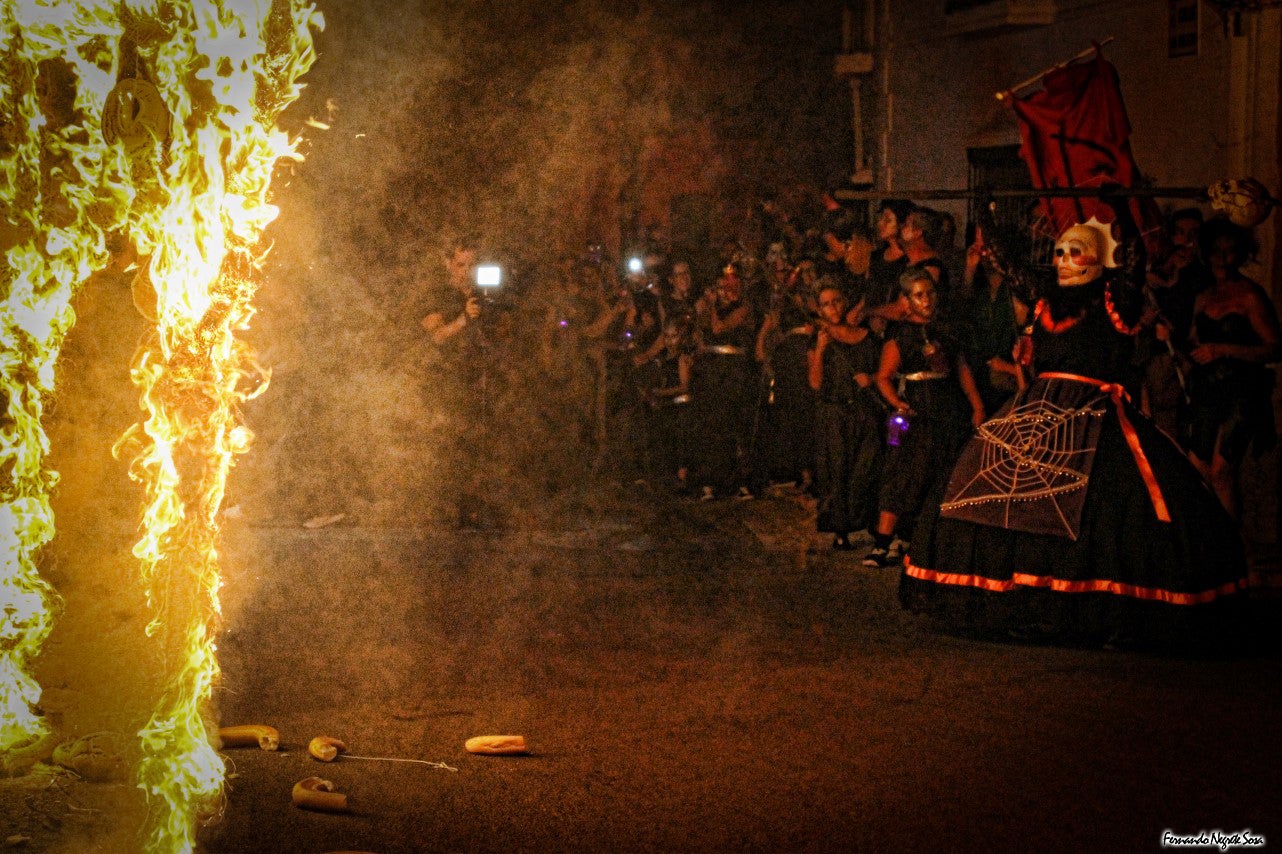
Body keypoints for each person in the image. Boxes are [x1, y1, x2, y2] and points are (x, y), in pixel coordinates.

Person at [900, 207, 1251, 648]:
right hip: (1035, 409)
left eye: (1077, 253)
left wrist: (1120, 202)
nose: (1065, 260)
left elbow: (1135, 262)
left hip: (1097, 413)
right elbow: (1010, 264)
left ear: (1102, 260)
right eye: (1061, 252)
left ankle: (1093, 606)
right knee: (988, 487)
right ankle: (1018, 600)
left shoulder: (1114, 299)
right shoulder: (1046, 298)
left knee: (1105, 503)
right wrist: (990, 215)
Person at [863, 269, 985, 568]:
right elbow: (883, 377)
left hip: (947, 408)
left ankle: (918, 540)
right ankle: (882, 542)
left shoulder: (947, 331)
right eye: (919, 295)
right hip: (916, 410)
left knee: (941, 473)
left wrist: (977, 405)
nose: (926, 300)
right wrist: (897, 403)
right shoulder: (899, 337)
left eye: (930, 293)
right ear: (906, 299)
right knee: (902, 472)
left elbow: (961, 370)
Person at [1182, 217, 1281, 520]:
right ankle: (1212, 545)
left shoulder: (1250, 295)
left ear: (1240, 253)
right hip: (1208, 391)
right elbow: (1192, 342)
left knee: (1221, 470)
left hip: (1242, 391)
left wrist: (1223, 350)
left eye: (1230, 250)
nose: (1223, 258)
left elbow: (1275, 348)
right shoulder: (1203, 296)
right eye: (1216, 251)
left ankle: (1234, 551)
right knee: (1197, 466)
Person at [420, 241, 491, 528]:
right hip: (443, 382)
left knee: (475, 445)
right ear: (447, 263)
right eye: (461, 265)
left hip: (474, 378)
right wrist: (463, 318)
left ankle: (470, 507)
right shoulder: (436, 294)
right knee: (448, 446)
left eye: (472, 265)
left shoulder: (479, 294)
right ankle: (446, 507)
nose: (467, 271)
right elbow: (435, 336)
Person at [809, 283, 883, 549]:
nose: (833, 308)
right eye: (826, 304)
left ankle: (864, 520)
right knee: (837, 469)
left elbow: (884, 371)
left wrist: (871, 379)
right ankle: (841, 529)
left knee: (865, 467)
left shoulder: (868, 337)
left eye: (837, 301)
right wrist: (819, 349)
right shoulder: (820, 338)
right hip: (834, 411)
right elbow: (815, 382)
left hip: (863, 410)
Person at [690, 267, 755, 501]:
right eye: (721, 287)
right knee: (711, 424)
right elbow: (699, 333)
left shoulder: (743, 308)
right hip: (712, 370)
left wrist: (711, 308)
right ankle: (711, 480)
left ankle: (740, 481)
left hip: (733, 371)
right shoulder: (712, 308)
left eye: (729, 286)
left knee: (733, 424)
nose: (725, 292)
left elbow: (720, 328)